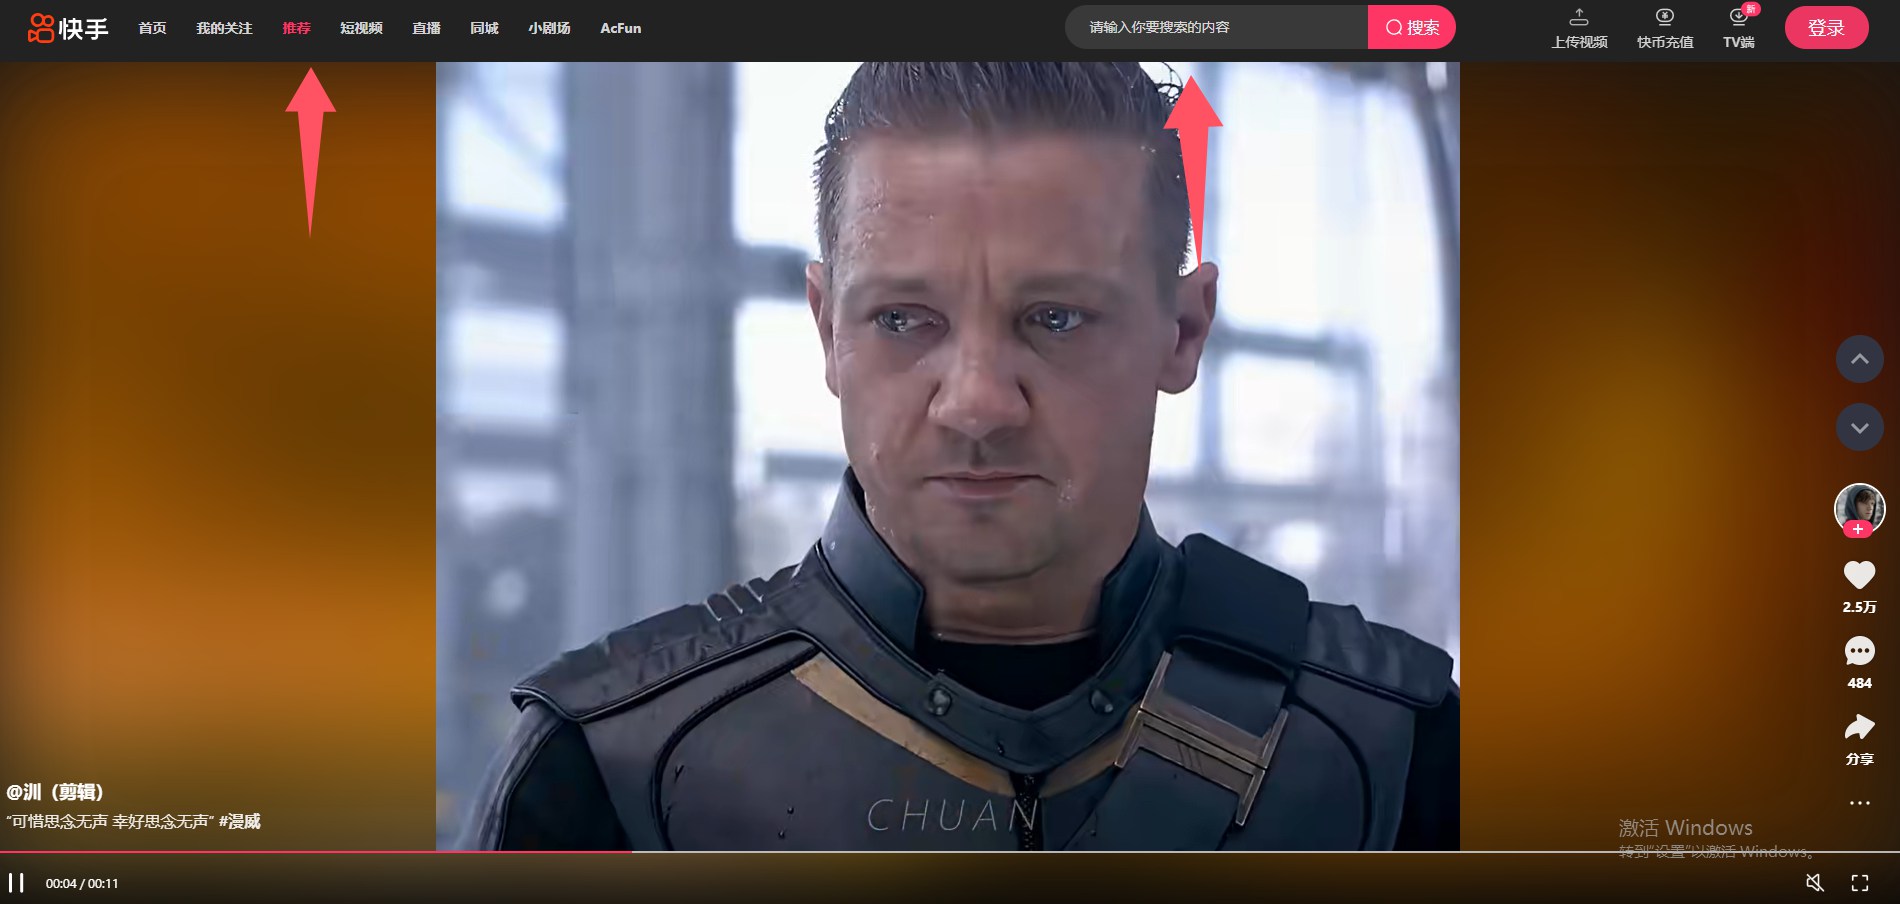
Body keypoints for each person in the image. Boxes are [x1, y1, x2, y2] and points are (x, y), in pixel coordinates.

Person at [458, 61, 1459, 852]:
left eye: (1055, 316)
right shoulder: (607, 775)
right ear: (826, 330)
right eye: (904, 318)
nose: (977, 400)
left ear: (1184, 330)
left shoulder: (1396, 750)